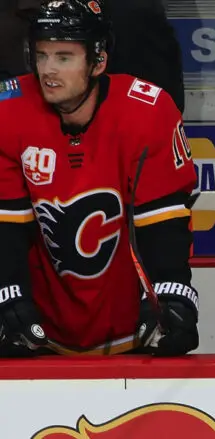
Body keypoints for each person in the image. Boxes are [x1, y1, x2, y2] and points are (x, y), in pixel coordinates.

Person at [0, 0, 198, 356]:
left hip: (130, 331)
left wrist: (173, 296)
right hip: (42, 332)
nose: (48, 70)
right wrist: (8, 293)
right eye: (41, 55)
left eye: (64, 57)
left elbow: (162, 223)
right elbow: (7, 227)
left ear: (98, 61)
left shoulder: (148, 110)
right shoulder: (8, 110)